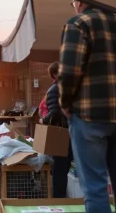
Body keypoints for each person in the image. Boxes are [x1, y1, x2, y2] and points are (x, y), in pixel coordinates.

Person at [58, 0, 116, 212]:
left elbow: (68, 71)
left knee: (96, 188)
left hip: (89, 115)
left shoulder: (78, 23)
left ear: (79, 2)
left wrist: (65, 102)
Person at [40, 62, 73, 198]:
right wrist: (44, 120)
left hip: (65, 133)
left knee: (62, 169)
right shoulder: (55, 89)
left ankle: (60, 198)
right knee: (60, 169)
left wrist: (43, 120)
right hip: (62, 133)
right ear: (55, 74)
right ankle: (59, 199)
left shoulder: (61, 88)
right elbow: (54, 113)